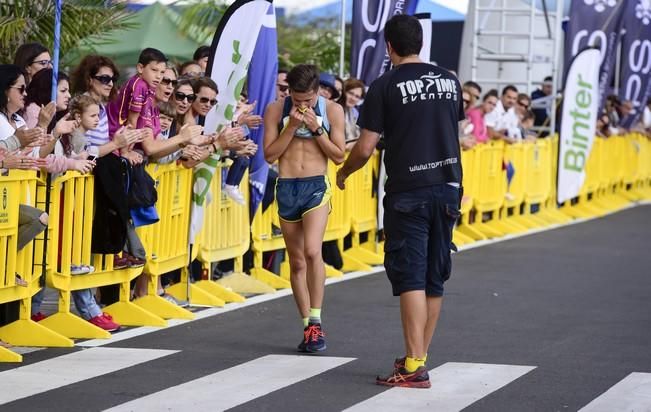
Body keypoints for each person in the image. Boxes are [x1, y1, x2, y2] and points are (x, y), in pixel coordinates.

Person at [336, 14, 463, 388]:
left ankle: (413, 367)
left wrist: (344, 173)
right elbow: (447, 130)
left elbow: (365, 146)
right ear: (420, 44)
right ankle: (417, 356)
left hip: (409, 190)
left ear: (389, 47)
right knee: (434, 276)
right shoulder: (450, 81)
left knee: (410, 276)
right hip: (449, 184)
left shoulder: (385, 84)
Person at [263, 64, 345, 353]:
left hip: (315, 187)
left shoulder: (332, 110)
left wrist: (316, 127)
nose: (302, 105)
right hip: (287, 186)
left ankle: (317, 320)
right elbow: (270, 154)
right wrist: (292, 126)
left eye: (307, 101)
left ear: (317, 92)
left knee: (312, 251)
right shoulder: (275, 110)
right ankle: (307, 326)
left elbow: (338, 156)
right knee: (296, 261)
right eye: (297, 101)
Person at [338, 78, 365, 150]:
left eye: (357, 96)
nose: (353, 98)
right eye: (350, 93)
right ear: (344, 91)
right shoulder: (335, 109)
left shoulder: (354, 112)